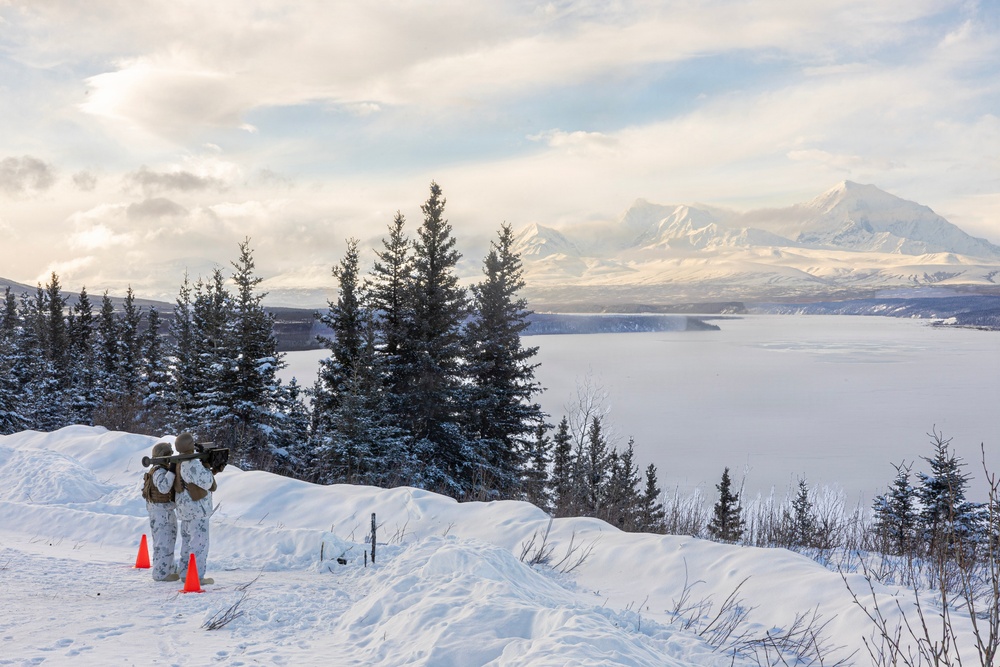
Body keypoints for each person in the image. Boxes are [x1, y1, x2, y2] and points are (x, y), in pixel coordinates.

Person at [173, 432, 217, 585]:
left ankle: (186, 573)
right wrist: (209, 469)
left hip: (185, 510)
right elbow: (207, 482)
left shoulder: (180, 462)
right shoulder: (192, 464)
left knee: (187, 544)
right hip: (197, 510)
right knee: (199, 545)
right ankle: (196, 577)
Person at [142, 442, 179, 582]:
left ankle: (169, 568)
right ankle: (161, 573)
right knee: (163, 542)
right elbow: (164, 488)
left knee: (168, 541)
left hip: (163, 510)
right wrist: (172, 470)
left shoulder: (158, 470)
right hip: (161, 512)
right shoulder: (159, 471)